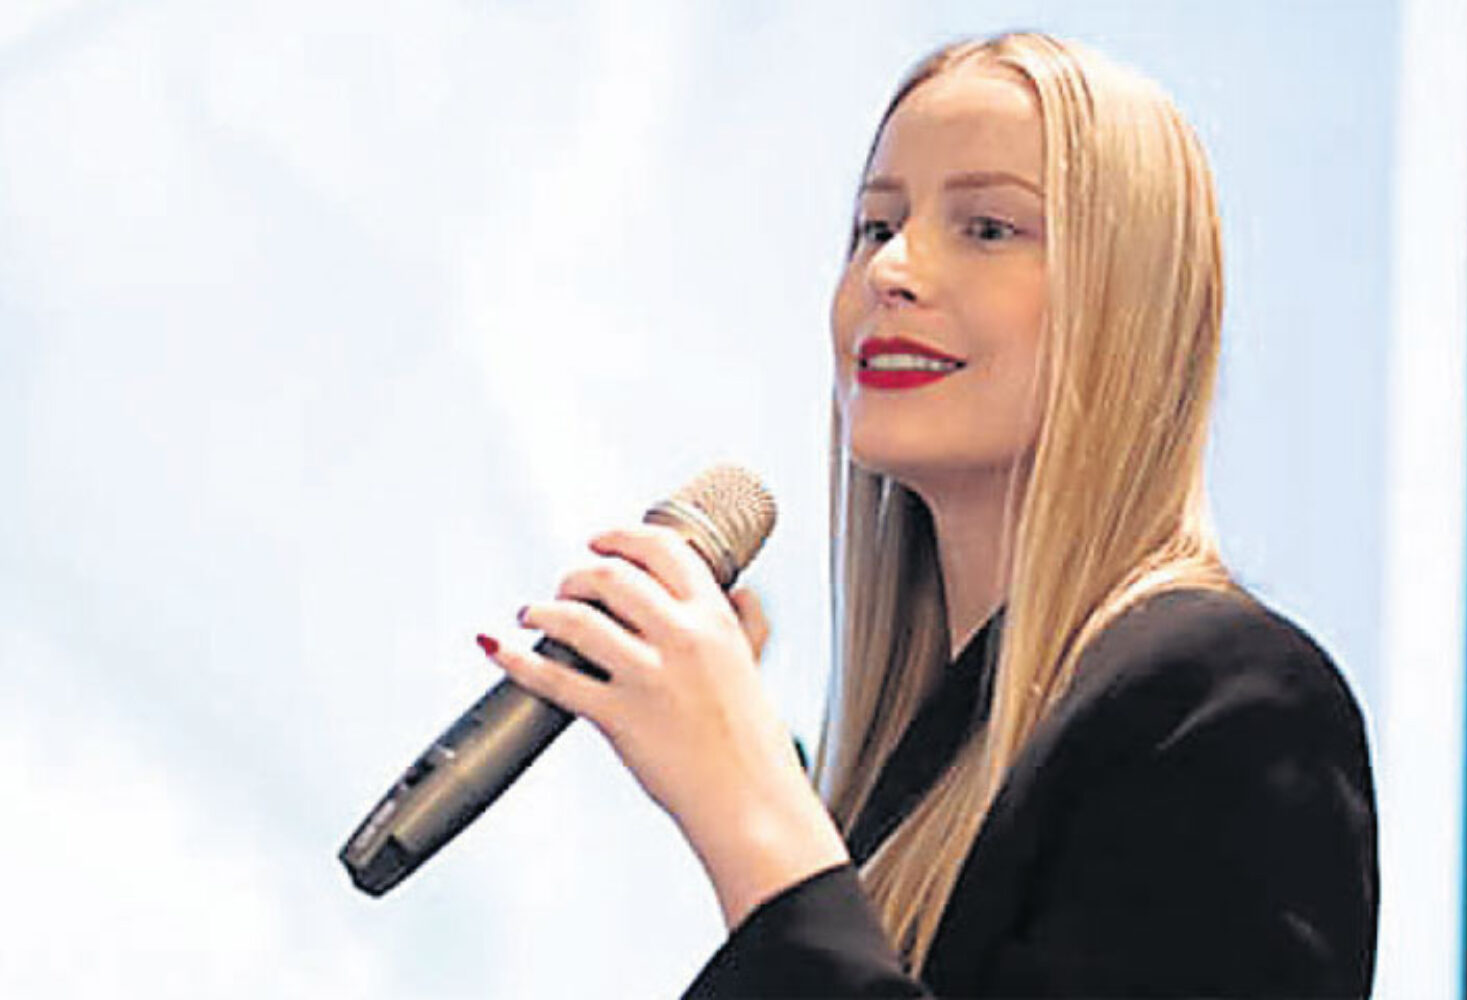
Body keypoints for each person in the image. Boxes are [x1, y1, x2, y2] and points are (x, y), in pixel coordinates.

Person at [475, 32, 1379, 998]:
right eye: (875, 227)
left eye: (988, 228)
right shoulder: (920, 763)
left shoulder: (1232, 707)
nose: (892, 270)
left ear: (1130, 305)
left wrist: (752, 817)